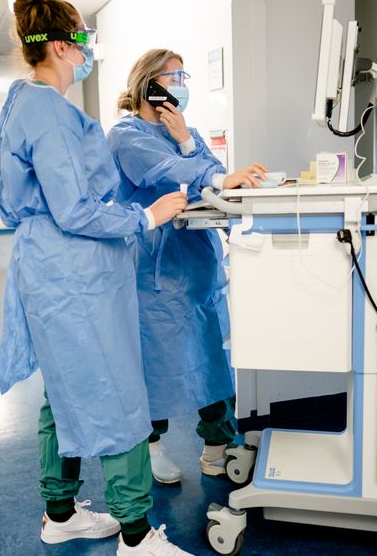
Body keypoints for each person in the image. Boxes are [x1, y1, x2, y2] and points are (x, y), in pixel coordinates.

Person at [0, 0, 192, 556]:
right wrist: (145, 218)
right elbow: (76, 209)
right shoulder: (50, 111)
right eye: (84, 43)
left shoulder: (20, 103)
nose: (87, 54)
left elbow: (19, 197)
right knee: (115, 390)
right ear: (60, 45)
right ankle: (135, 533)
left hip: (48, 268)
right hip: (74, 274)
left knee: (64, 391)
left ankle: (59, 514)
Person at [108, 49, 269, 484]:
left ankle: (216, 448)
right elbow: (166, 171)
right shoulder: (126, 134)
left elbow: (210, 169)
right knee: (154, 362)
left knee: (209, 354)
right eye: (173, 76)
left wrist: (185, 139)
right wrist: (200, 165)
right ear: (150, 84)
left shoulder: (186, 130)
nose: (181, 84)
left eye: (184, 76)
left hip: (195, 264)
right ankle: (151, 445)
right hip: (153, 270)